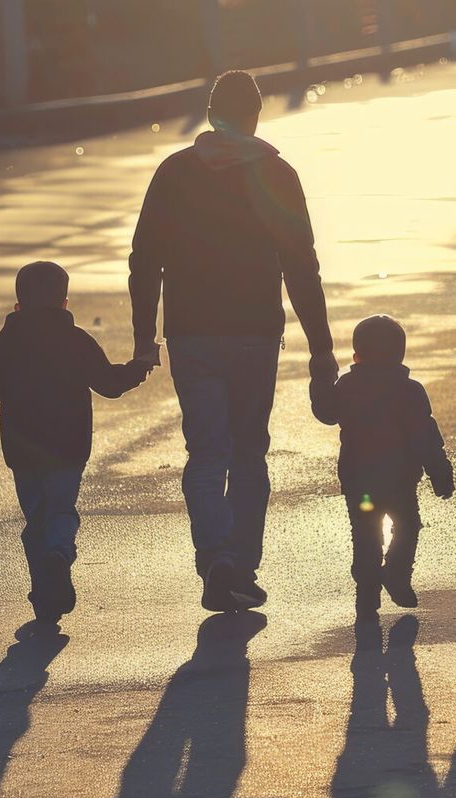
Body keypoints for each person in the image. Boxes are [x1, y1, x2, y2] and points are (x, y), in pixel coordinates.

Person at [129, 69, 337, 613]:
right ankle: (241, 565)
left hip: (191, 333)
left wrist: (143, 337)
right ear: (255, 116)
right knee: (248, 451)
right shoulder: (276, 173)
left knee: (205, 451)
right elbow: (301, 267)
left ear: (210, 114)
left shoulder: (174, 172)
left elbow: (144, 259)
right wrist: (322, 347)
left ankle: (216, 557)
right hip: (253, 334)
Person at [0, 261, 150, 625]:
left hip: (23, 448)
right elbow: (108, 384)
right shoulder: (76, 341)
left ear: (18, 306)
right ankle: (59, 553)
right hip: (68, 445)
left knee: (36, 518)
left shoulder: (2, 347)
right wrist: (138, 368)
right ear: (64, 302)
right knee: (61, 510)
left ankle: (44, 594)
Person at [313, 315, 454, 613]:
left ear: (356, 356)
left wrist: (322, 377)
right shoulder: (410, 391)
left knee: (365, 535)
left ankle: (368, 594)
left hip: (359, 481)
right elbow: (426, 436)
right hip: (399, 481)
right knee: (406, 526)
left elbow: (326, 412)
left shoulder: (348, 386)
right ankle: (396, 574)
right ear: (400, 354)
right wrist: (440, 473)